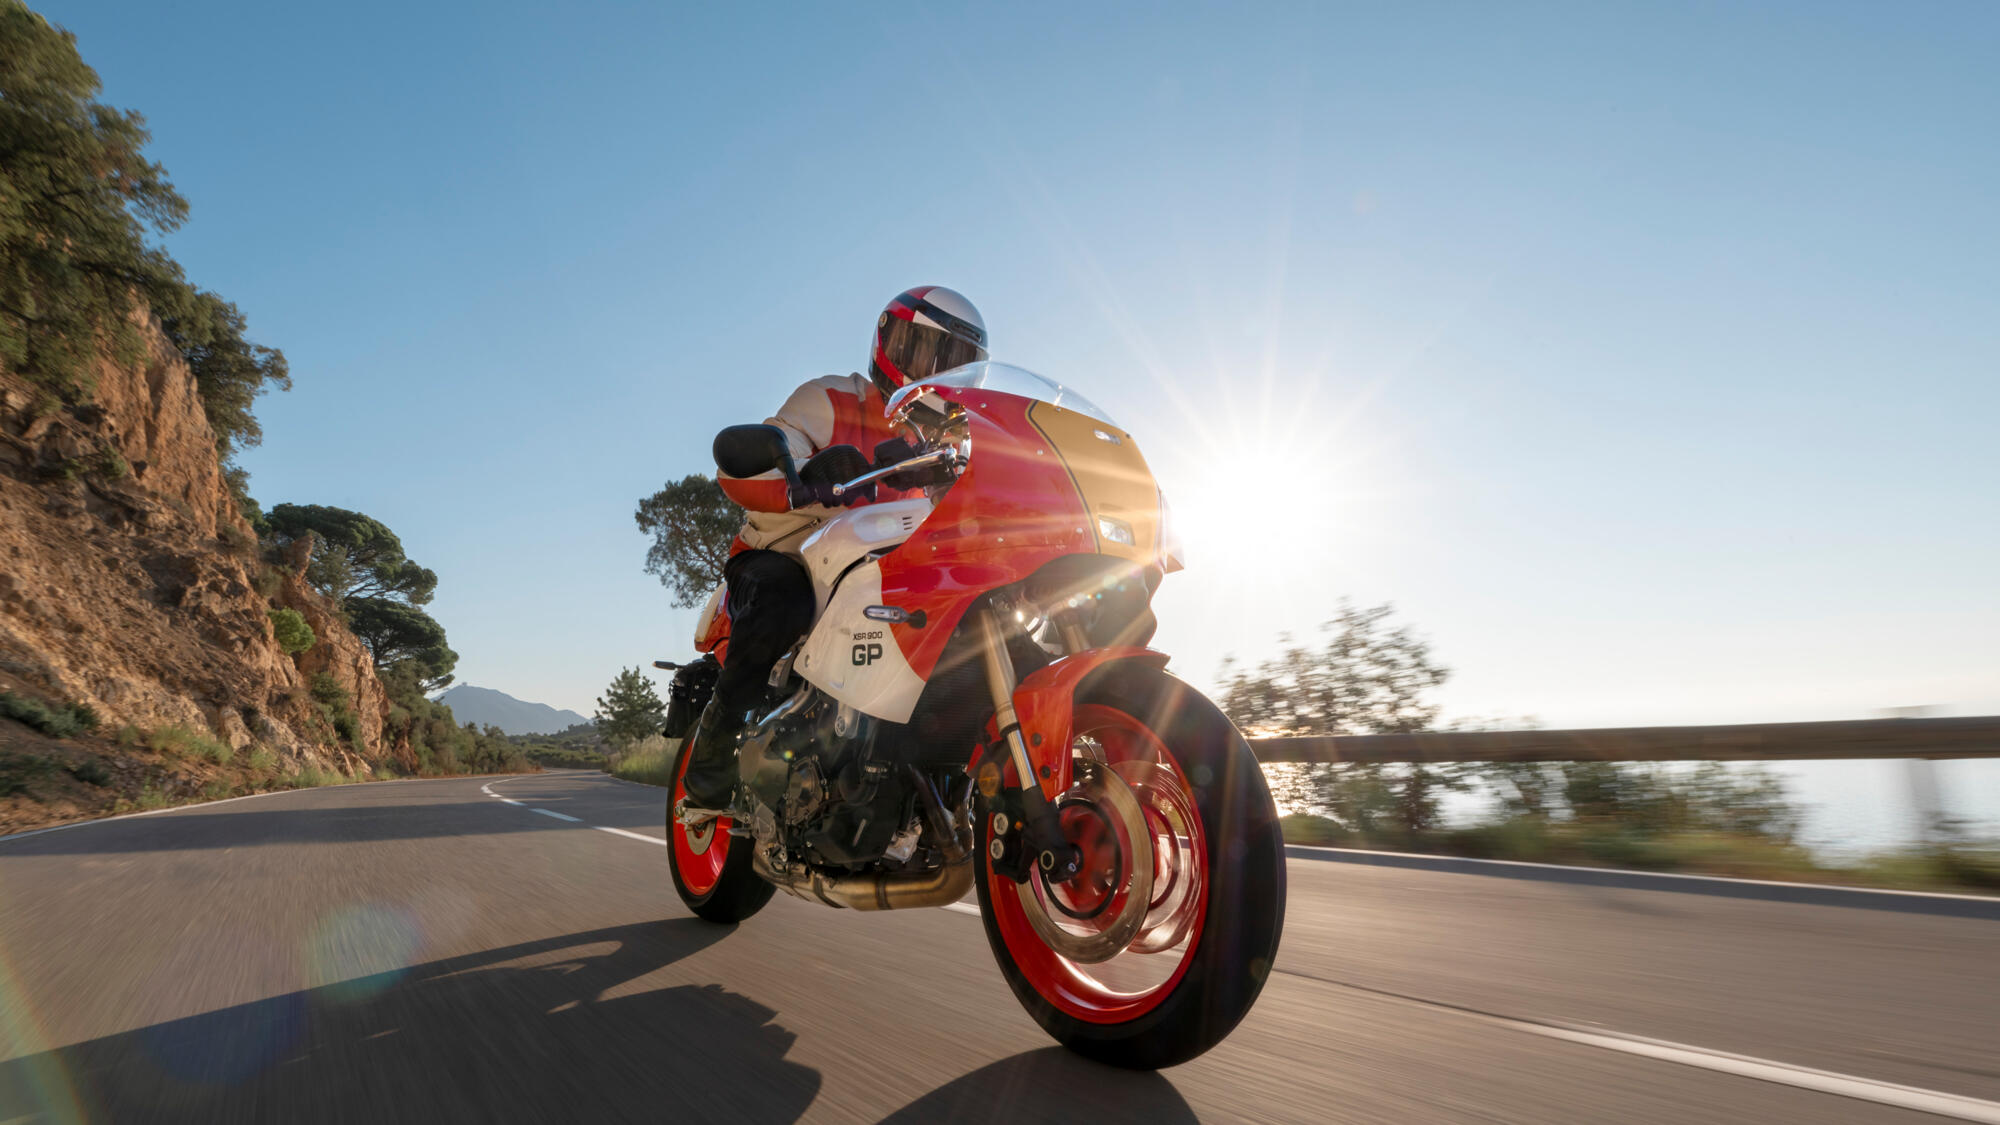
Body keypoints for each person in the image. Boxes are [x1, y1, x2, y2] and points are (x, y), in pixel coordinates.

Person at [679, 286, 989, 808]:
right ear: (891, 344)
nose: (940, 374)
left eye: (958, 365)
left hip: (880, 572)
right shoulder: (830, 399)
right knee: (781, 598)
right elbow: (758, 461)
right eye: (930, 354)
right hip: (786, 552)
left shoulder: (953, 446)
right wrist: (806, 476)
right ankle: (714, 750)